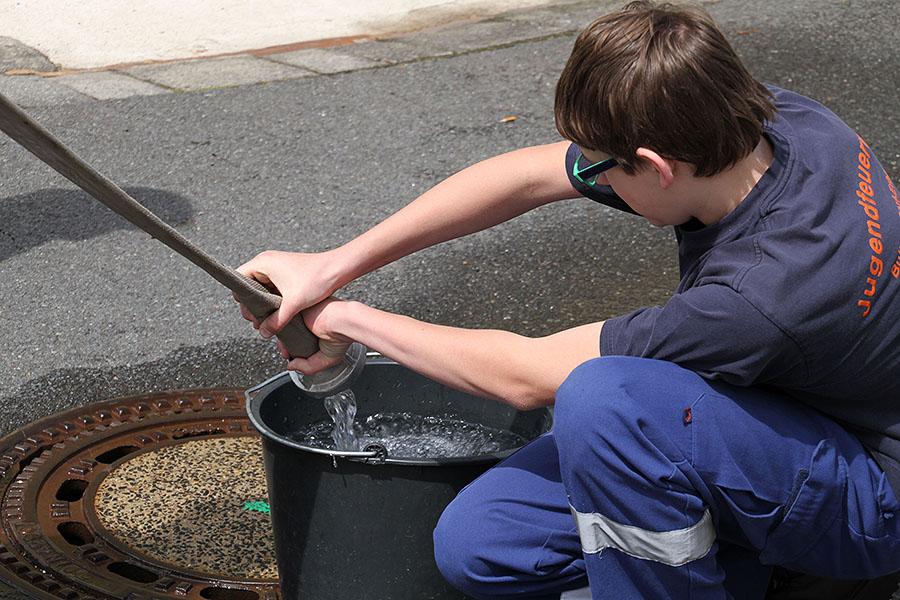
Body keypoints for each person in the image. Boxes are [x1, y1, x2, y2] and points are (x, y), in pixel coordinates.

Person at [235, 1, 900, 598]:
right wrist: (331, 266)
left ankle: (802, 570)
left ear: (658, 167)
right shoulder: (766, 123)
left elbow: (525, 377)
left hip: (870, 490)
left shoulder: (755, 301)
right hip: (781, 412)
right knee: (485, 544)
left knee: (607, 402)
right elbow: (526, 178)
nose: (583, 174)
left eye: (599, 165)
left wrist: (344, 318)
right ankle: (751, 567)